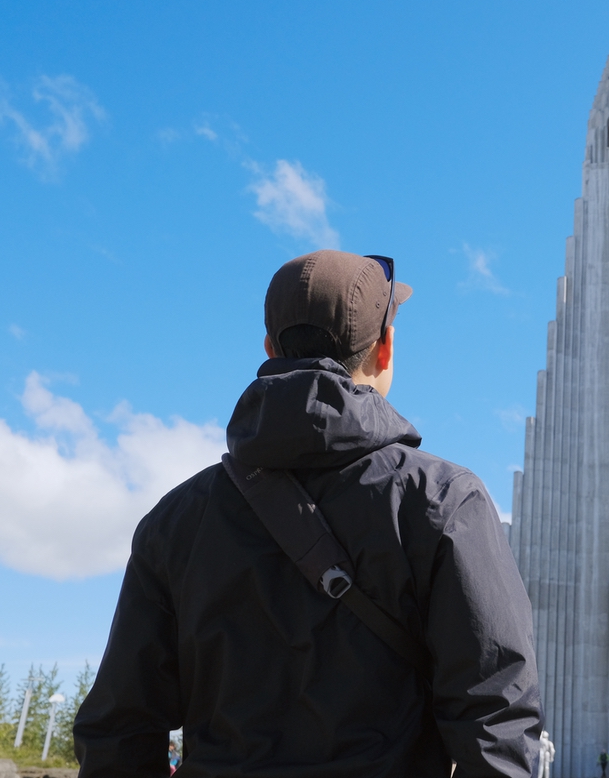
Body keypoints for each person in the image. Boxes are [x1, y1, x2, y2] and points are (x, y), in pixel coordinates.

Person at [73, 250, 543, 776]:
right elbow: (495, 719)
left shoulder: (175, 520)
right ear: (384, 349)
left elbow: (119, 729)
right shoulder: (444, 501)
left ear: (270, 349)